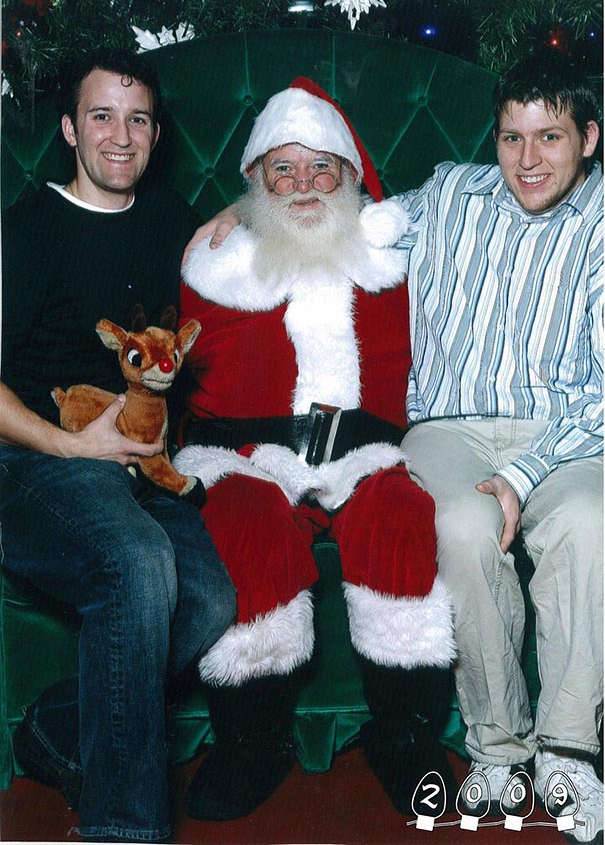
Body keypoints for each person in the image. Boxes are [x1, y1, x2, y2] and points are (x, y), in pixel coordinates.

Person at [194, 51, 603, 842]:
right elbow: (331, 212)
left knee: (589, 525)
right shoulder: (449, 193)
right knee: (457, 524)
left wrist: (523, 475)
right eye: (510, 137)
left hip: (569, 435)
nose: (526, 160)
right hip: (450, 427)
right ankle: (497, 749)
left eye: (549, 138)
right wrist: (246, 210)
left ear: (588, 138)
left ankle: (567, 752)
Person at [173, 76, 457, 823]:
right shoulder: (213, 264)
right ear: (255, 180)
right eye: (283, 169)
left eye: (320, 167)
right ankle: (251, 739)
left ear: (350, 175)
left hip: (364, 454)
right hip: (245, 455)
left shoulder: (392, 255)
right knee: (243, 520)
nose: (303, 184)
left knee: (399, 513)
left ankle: (404, 735)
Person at [0, 48, 236, 842]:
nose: (121, 136)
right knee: (137, 564)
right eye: (101, 116)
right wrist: (67, 448)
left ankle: (55, 731)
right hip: (33, 461)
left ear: (157, 133)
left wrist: (250, 213)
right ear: (70, 129)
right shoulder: (25, 232)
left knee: (209, 601)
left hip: (136, 464)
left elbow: (232, 250)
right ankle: (122, 831)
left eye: (138, 119)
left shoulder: (167, 218)